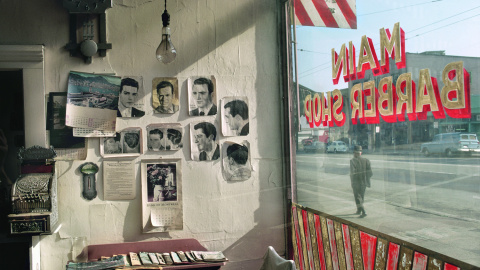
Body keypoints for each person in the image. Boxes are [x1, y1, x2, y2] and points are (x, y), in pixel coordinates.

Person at [350, 145, 372, 218]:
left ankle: (363, 211)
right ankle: (358, 210)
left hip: (356, 182)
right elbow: (370, 173)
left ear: (355, 153)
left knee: (357, 197)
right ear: (361, 153)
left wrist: (353, 182)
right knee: (361, 197)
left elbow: (352, 173)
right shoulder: (366, 161)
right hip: (364, 182)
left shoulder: (352, 161)